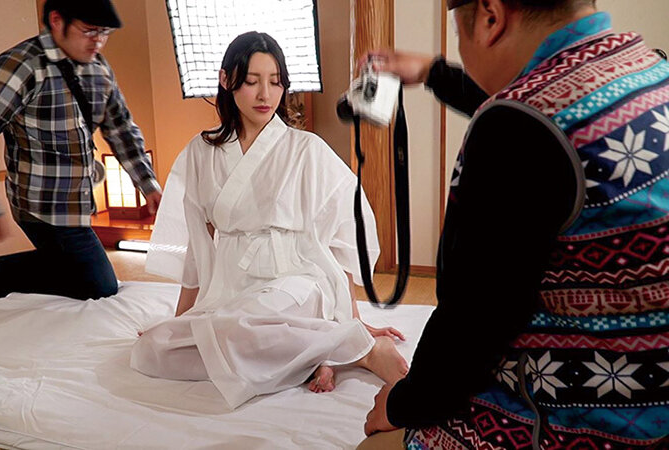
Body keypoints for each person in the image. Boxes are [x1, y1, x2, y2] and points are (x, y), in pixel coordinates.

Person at [360, 0, 669, 448]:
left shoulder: (515, 125)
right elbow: (549, 126)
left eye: (459, 34)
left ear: (491, 15)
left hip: (586, 421)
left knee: (374, 441)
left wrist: (399, 404)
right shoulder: (646, 69)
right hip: (655, 396)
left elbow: (470, 327)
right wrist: (434, 72)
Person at [131, 31, 408, 409]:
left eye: (276, 82)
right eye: (252, 81)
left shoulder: (306, 148)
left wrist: (353, 317)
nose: (265, 94)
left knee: (240, 329)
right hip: (233, 286)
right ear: (226, 80)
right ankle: (319, 351)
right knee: (155, 349)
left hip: (296, 277)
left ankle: (363, 350)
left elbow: (342, 233)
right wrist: (182, 321)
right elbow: (198, 245)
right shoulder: (200, 151)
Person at [0, 0, 161, 307]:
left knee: (71, 269)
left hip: (78, 200)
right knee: (99, 285)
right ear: (57, 20)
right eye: (89, 30)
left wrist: (148, 184)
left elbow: (121, 129)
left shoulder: (98, 68)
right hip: (39, 203)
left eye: (104, 32)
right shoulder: (21, 65)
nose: (98, 40)